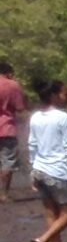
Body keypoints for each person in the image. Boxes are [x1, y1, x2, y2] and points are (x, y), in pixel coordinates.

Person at [25, 79, 67, 242]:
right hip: (56, 171)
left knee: (51, 212)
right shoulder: (62, 117)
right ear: (53, 95)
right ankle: (43, 240)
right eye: (63, 94)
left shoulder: (35, 117)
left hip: (39, 171)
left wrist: (33, 171)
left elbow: (31, 145)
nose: (66, 97)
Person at [0, 59, 24, 202]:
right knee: (7, 161)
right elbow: (20, 107)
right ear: (8, 73)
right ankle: (4, 194)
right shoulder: (12, 85)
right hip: (7, 127)